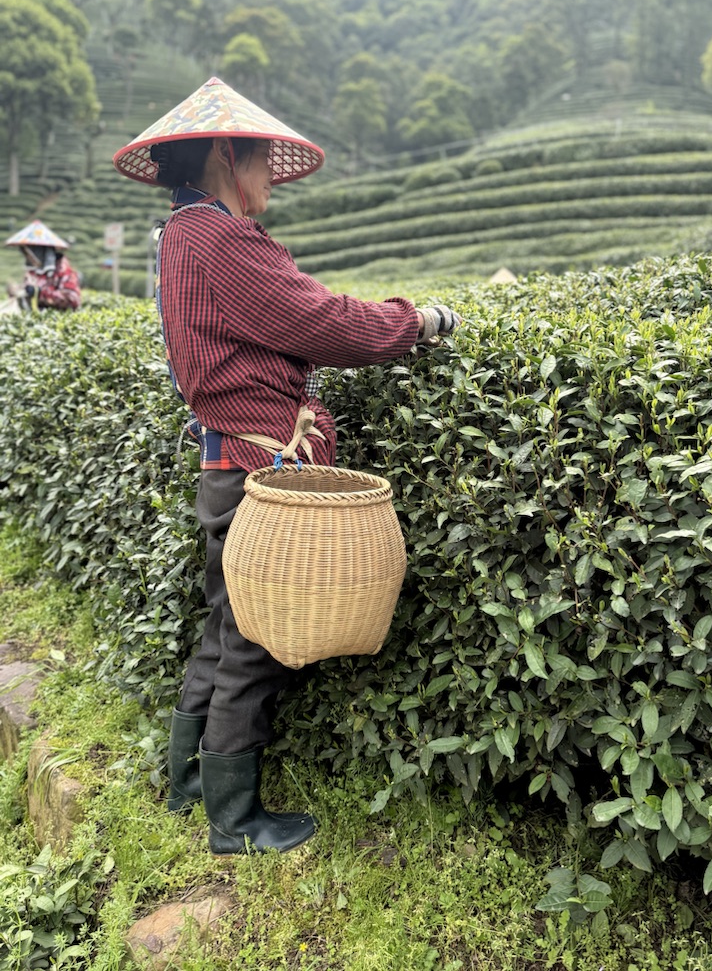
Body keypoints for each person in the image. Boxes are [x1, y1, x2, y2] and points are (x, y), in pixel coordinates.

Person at [112, 76, 460, 856]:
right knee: (255, 642)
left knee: (224, 625)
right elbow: (323, 322)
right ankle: (233, 822)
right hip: (259, 472)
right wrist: (420, 321)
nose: (272, 174)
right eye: (263, 158)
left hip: (226, 461)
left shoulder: (179, 236)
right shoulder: (220, 240)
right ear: (227, 154)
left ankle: (190, 786)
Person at [5, 220, 81, 312]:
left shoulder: (65, 273)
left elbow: (73, 301)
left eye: (31, 254)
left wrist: (40, 292)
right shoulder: (32, 272)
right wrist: (16, 292)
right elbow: (27, 294)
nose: (28, 258)